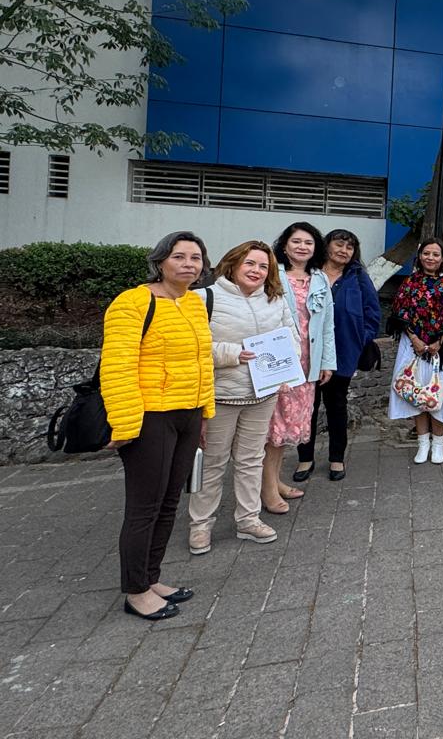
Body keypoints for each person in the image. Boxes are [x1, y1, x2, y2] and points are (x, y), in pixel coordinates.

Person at [101, 231, 214, 620]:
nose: (188, 264)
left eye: (195, 258)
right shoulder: (132, 302)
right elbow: (117, 367)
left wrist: (205, 412)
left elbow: (202, 362)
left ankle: (151, 578)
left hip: (188, 413)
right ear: (160, 261)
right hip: (150, 417)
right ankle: (135, 591)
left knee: (169, 502)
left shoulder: (194, 303)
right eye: (179, 256)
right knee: (144, 507)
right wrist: (124, 426)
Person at [189, 241, 299, 554]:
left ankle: (248, 519)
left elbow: (291, 338)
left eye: (263, 266)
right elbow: (191, 347)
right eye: (250, 263)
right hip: (221, 395)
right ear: (234, 263)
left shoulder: (275, 300)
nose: (256, 271)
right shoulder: (204, 298)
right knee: (213, 463)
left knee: (251, 460)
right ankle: (200, 525)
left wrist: (286, 372)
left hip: (262, 395)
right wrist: (232, 354)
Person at [294, 228, 380, 483]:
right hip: (308, 352)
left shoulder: (357, 277)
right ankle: (305, 458)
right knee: (307, 407)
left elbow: (372, 313)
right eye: (339, 244)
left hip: (343, 352)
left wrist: (358, 340)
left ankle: (336, 458)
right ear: (327, 246)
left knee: (337, 406)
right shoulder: (310, 274)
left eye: (349, 247)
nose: (344, 250)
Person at [388, 239, 443, 464]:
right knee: (417, 391)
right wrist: (415, 339)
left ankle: (438, 444)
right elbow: (400, 312)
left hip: (442, 348)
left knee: (438, 393)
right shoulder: (410, 282)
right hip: (413, 346)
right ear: (420, 256)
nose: (431, 258)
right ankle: (422, 443)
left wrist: (440, 340)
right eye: (426, 253)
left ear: (442, 258)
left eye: (436, 254)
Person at [270, 222, 335, 496]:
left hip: (309, 363)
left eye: (308, 242)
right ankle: (268, 487)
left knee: (289, 426)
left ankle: (273, 482)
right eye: (296, 241)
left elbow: (327, 324)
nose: (302, 247)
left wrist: (327, 362)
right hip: (279, 361)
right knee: (272, 427)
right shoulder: (272, 274)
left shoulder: (319, 279)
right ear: (284, 246)